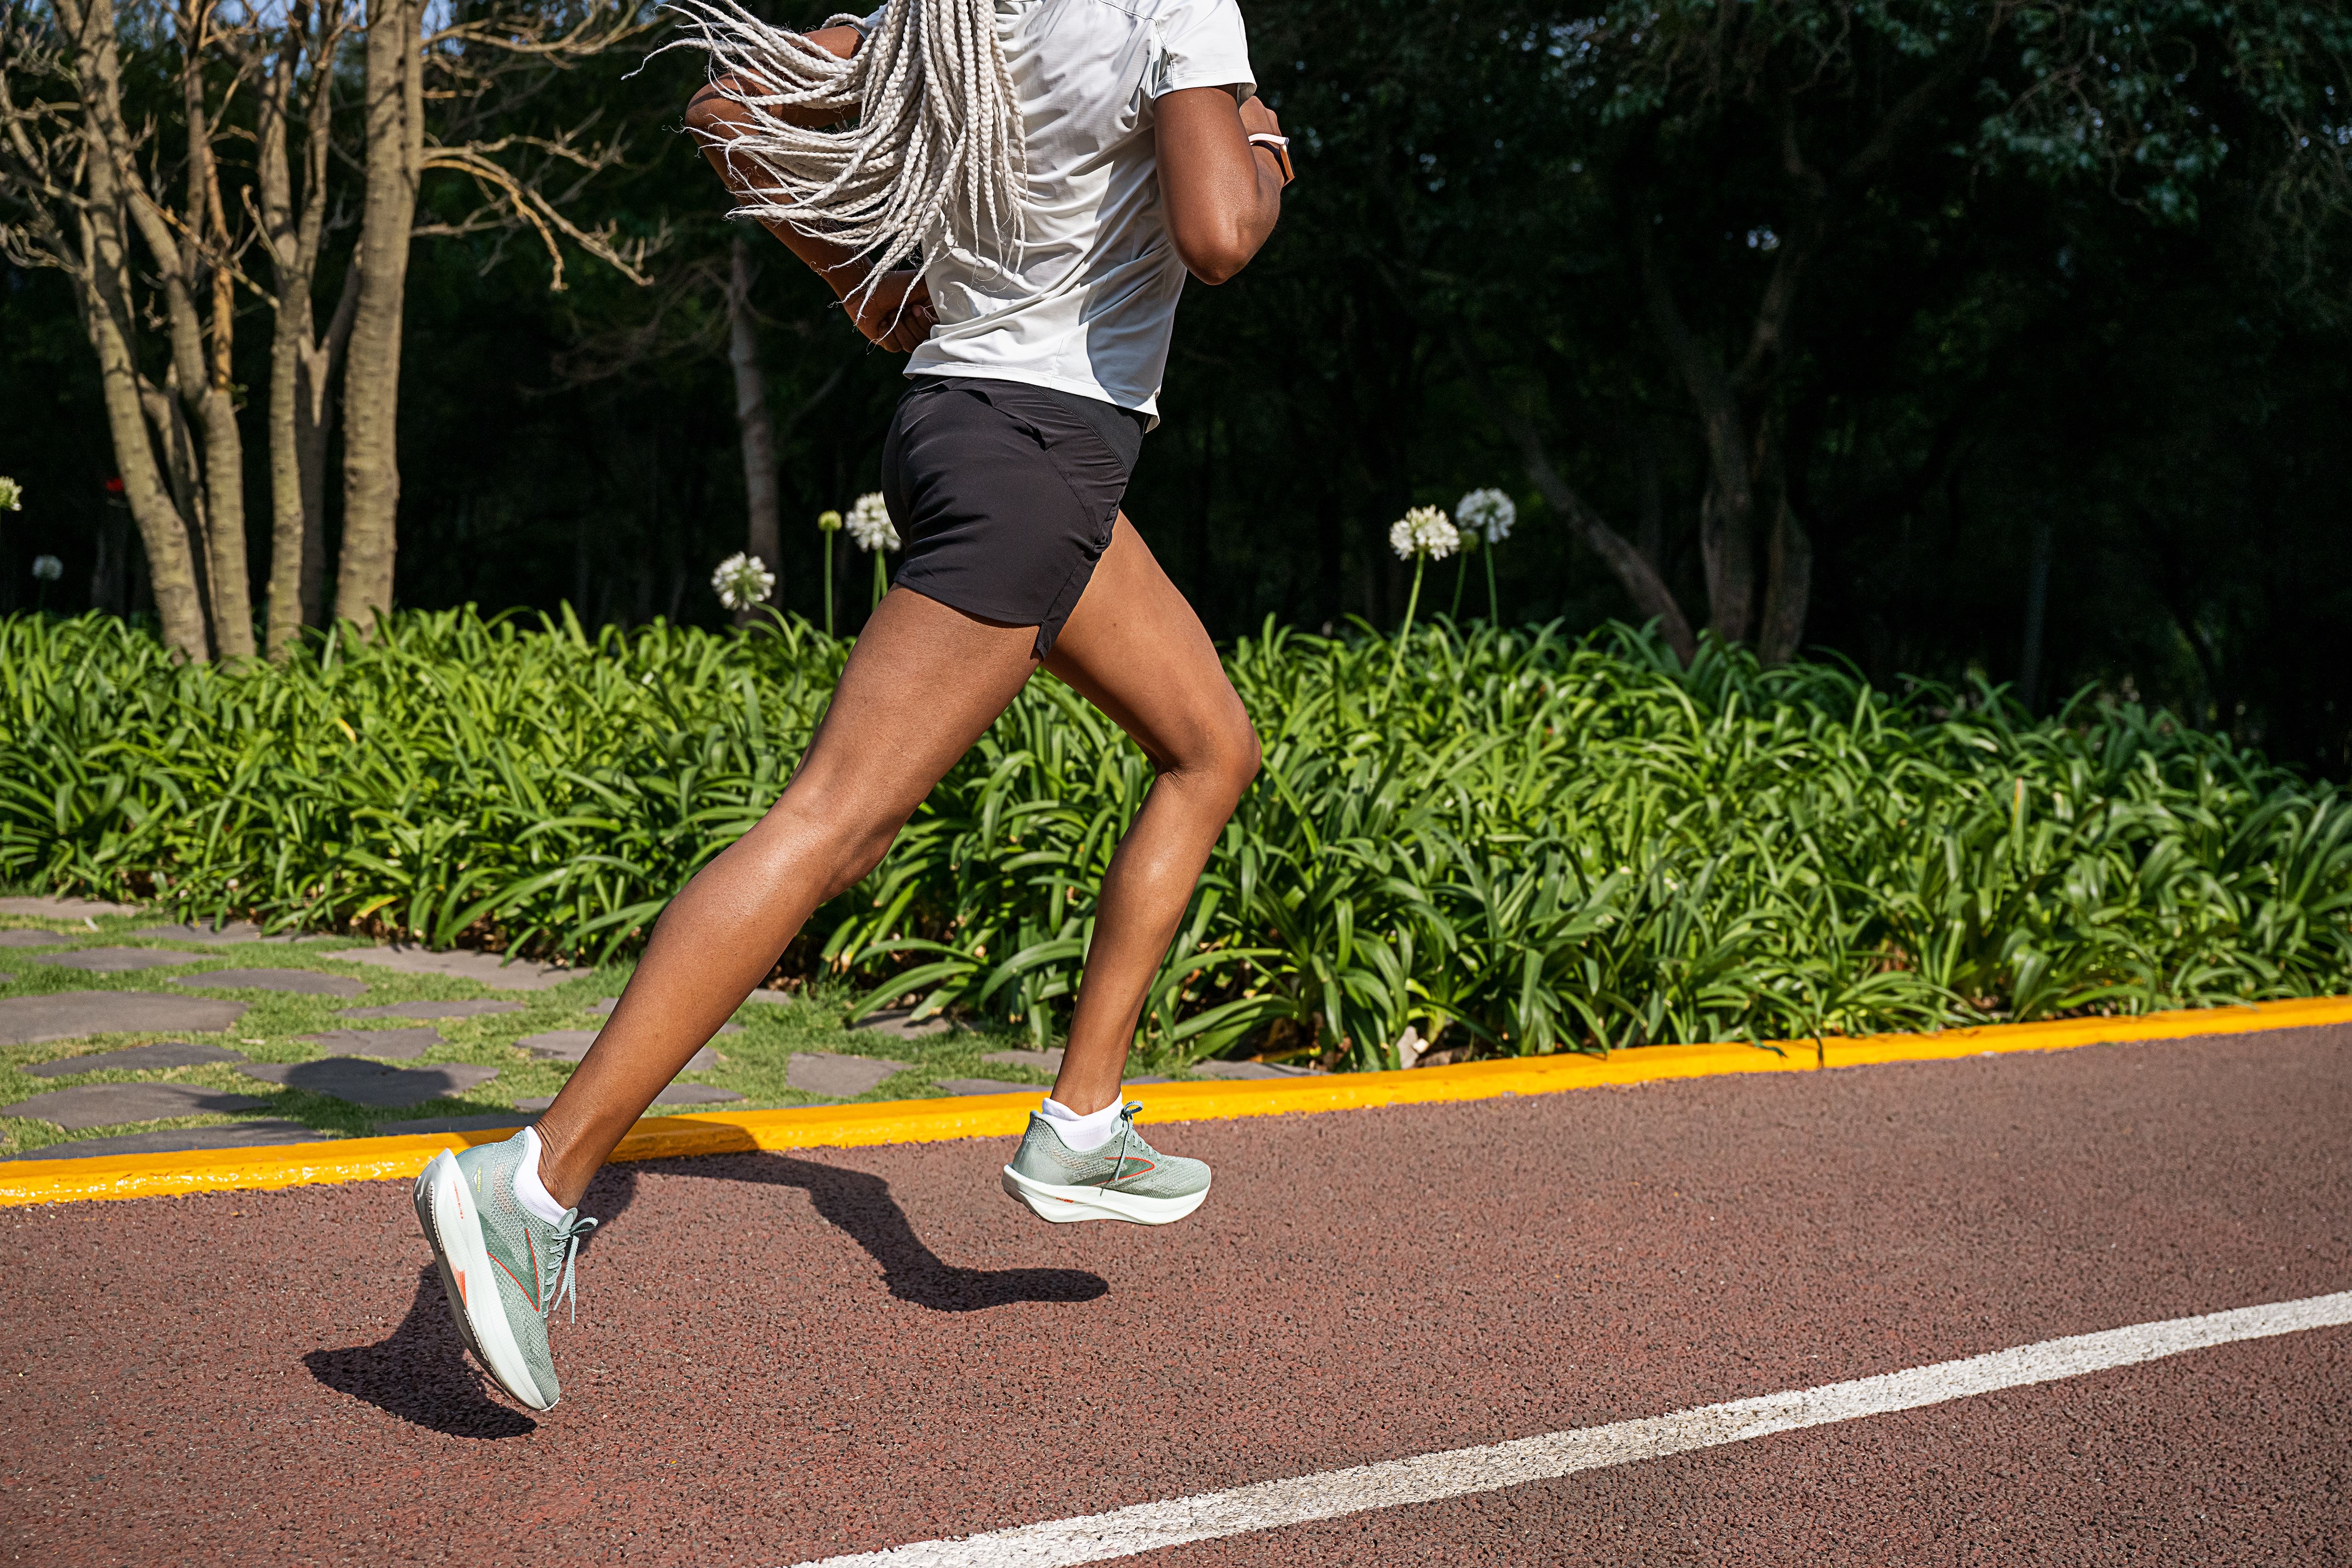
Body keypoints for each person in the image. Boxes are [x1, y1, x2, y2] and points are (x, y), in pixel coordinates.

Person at [412, 0, 1293, 1411]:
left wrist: (860, 285)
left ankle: (1079, 1122)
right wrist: (1266, 142)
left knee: (1210, 745)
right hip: (1044, 454)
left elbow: (724, 103)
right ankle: (533, 1179)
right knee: (836, 822)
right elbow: (1220, 235)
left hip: (972, 426)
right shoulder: (1176, 8)